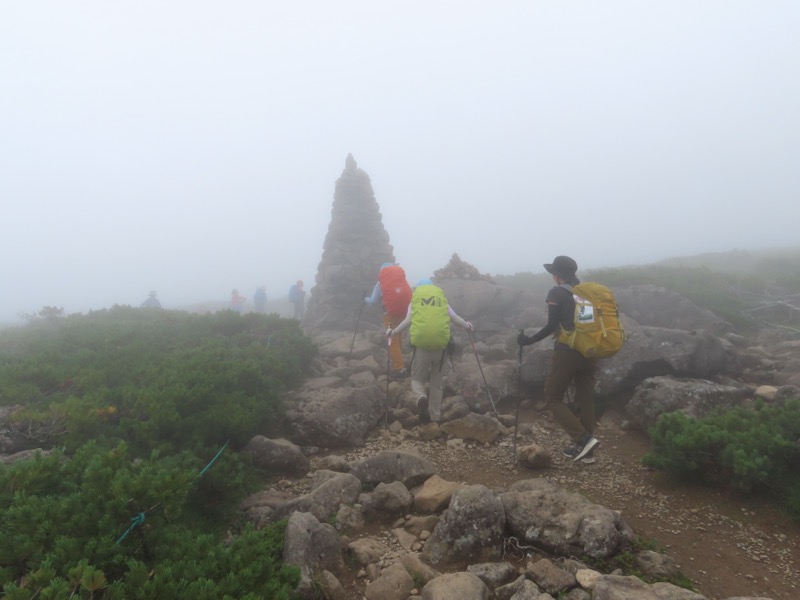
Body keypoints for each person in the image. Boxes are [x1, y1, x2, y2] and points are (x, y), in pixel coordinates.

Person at [517, 255, 599, 464]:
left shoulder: (557, 292)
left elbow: (552, 325)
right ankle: (587, 451)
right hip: (591, 350)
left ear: (557, 275)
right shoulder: (586, 291)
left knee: (552, 397)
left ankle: (584, 439)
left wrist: (528, 340)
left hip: (568, 350)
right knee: (585, 397)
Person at [387, 279, 473, 424]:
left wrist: (393, 332)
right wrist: (468, 326)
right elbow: (455, 319)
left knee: (417, 379)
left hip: (422, 347)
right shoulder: (441, 301)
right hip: (441, 347)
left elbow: (408, 321)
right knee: (436, 384)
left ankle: (421, 398)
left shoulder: (415, 302)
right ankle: (435, 417)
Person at [365, 262, 412, 379]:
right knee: (398, 335)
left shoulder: (381, 282)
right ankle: (400, 360)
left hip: (389, 315)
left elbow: (373, 301)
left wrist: (365, 299)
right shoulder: (401, 280)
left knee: (392, 340)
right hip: (403, 313)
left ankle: (399, 368)